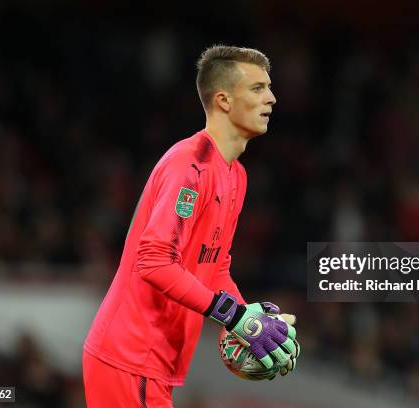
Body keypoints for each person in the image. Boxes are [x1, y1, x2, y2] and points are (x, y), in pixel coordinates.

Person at [82, 45, 298, 407]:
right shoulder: (190, 165)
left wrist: (249, 319)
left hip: (153, 365)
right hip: (130, 357)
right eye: (258, 88)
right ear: (224, 100)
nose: (272, 98)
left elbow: (215, 267)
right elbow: (153, 261)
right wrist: (234, 317)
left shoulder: (235, 175)